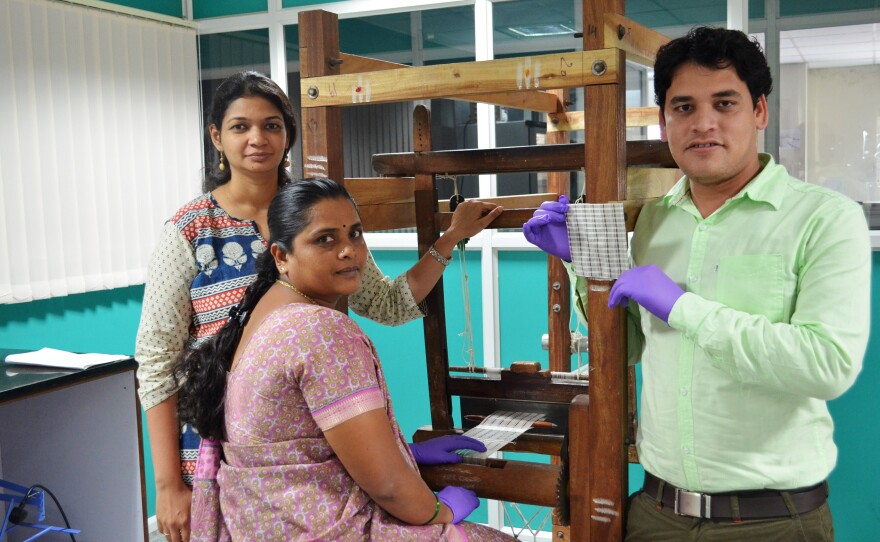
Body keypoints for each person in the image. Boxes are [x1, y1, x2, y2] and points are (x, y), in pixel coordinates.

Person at [524, 27, 870, 541]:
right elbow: (629, 345)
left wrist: (683, 306)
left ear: (759, 112)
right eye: (683, 107)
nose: (703, 123)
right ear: (665, 121)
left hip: (771, 522)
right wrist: (584, 265)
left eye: (724, 103)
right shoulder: (655, 222)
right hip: (656, 514)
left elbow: (827, 366)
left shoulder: (823, 218)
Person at [135, 71, 503, 542]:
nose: (257, 140)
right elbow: (157, 362)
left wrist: (449, 240)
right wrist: (168, 485)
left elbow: (387, 303)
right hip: (222, 445)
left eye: (271, 125)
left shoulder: (320, 212)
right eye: (240, 127)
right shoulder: (189, 231)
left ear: (287, 134)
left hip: (311, 445)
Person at [173, 178, 516, 541]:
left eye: (355, 234)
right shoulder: (319, 329)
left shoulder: (261, 311)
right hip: (322, 528)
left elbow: (293, 444)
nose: (349, 251)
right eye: (325, 240)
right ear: (281, 256)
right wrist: (440, 509)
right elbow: (388, 488)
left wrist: (406, 452)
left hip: (265, 524)